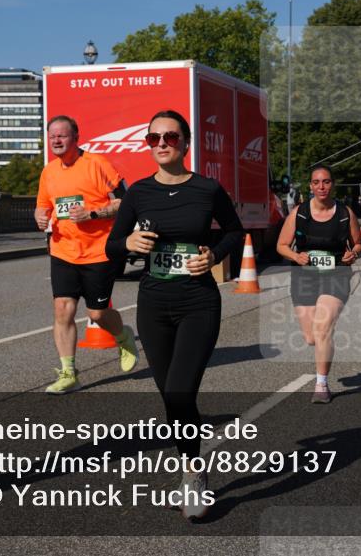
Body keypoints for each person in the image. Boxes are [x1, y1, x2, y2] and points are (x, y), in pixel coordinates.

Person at [106, 110, 244, 520]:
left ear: (184, 142)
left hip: (198, 302)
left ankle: (193, 475)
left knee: (182, 391)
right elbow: (114, 246)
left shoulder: (206, 188)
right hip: (153, 304)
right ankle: (191, 462)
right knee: (171, 397)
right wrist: (128, 240)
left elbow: (235, 231)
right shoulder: (138, 194)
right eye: (153, 139)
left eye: (169, 137)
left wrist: (214, 255)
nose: (161, 144)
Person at [35, 115, 137, 395]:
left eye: (62, 135)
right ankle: (69, 373)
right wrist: (40, 218)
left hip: (98, 251)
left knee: (97, 312)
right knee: (62, 309)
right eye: (52, 136)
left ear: (75, 138)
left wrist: (92, 213)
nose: (56, 140)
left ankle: (123, 336)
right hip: (63, 250)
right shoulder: (49, 172)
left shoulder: (97, 164)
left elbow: (126, 201)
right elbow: (43, 206)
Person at [276, 164, 361, 404]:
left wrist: (353, 254)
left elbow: (357, 243)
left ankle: (321, 384)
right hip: (305, 277)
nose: (321, 186)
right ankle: (323, 348)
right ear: (311, 186)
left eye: (326, 182)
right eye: (316, 182)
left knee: (323, 327)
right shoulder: (299, 213)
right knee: (311, 338)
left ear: (332, 184)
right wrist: (295, 256)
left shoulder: (345, 213)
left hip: (336, 275)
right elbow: (281, 245)